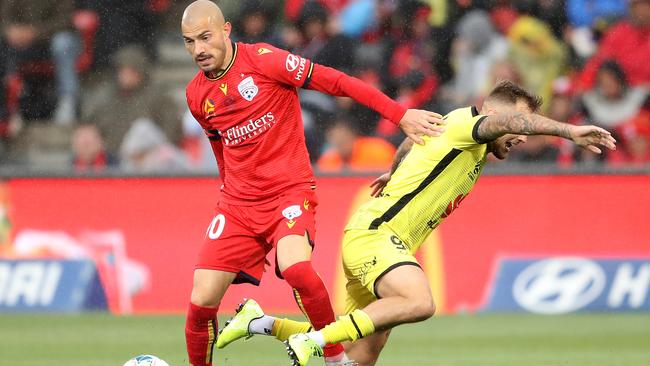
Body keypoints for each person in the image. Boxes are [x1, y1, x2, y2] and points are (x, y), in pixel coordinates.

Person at [215, 81, 616, 366]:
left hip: (376, 238)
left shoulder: (450, 126)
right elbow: (501, 125)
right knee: (419, 302)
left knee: (361, 355)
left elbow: (411, 139)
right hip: (378, 236)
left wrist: (396, 172)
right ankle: (314, 340)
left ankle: (258, 321)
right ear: (494, 113)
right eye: (516, 123)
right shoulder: (468, 126)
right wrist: (568, 131)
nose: (520, 135)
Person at [179, 2, 445, 366]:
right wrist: (228, 189)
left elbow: (339, 82)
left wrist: (399, 115)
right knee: (200, 302)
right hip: (238, 205)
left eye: (205, 38)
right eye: (190, 42)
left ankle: (334, 361)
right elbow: (218, 144)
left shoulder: (265, 61)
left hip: (288, 192)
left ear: (226, 30)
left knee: (297, 269)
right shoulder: (197, 95)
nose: (199, 50)